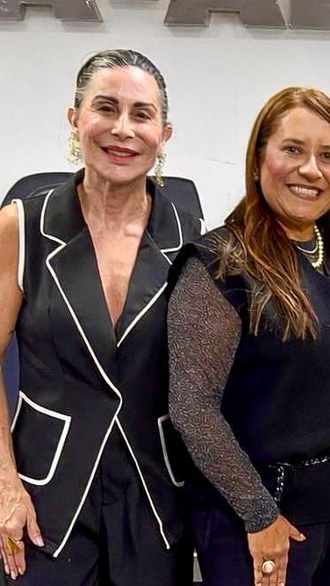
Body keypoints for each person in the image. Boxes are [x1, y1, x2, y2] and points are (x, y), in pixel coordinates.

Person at [167, 86, 330, 586]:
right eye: (293, 149)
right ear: (258, 159)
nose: (311, 170)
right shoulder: (220, 264)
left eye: (328, 156)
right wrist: (259, 514)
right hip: (257, 518)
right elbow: (191, 408)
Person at [0, 49, 200, 584]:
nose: (122, 129)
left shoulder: (195, 242)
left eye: (142, 114)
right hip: (41, 501)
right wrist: (3, 484)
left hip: (156, 499)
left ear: (164, 134)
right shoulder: (21, 227)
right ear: (75, 119)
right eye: (105, 108)